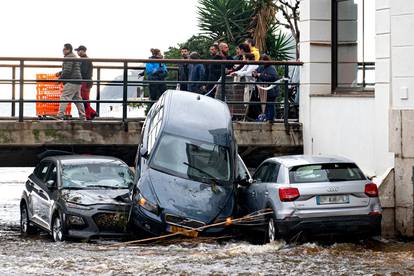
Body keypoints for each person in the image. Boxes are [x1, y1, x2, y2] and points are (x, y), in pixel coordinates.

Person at [55, 43, 86, 120]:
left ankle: (60, 115)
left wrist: (60, 80)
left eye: (64, 49)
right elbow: (70, 69)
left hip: (72, 81)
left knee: (64, 97)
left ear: (68, 49)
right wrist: (60, 73)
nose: (63, 50)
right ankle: (83, 116)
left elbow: (67, 71)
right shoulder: (73, 56)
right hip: (77, 80)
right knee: (78, 99)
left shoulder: (69, 57)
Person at [253, 54, 280, 122]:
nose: (261, 63)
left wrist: (260, 75)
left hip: (271, 89)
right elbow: (256, 72)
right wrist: (254, 74)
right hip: (264, 90)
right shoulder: (261, 67)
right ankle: (267, 118)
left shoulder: (271, 68)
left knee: (270, 104)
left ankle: (270, 119)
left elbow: (274, 77)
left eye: (262, 62)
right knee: (266, 105)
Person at [75, 45, 97, 120]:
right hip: (86, 81)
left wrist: (75, 75)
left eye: (79, 50)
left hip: (85, 81)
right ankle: (92, 112)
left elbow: (83, 72)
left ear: (83, 51)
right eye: (77, 51)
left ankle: (88, 115)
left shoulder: (84, 60)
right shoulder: (84, 59)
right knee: (83, 99)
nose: (77, 52)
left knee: (84, 99)